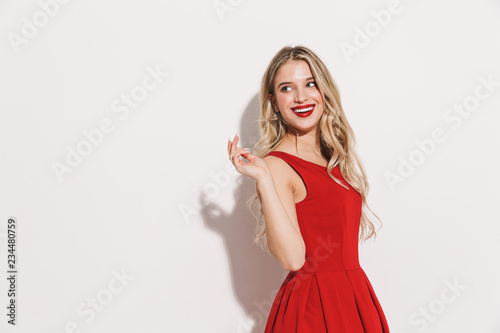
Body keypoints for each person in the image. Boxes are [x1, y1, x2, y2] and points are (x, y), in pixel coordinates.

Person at [227, 45, 390, 332]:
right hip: (313, 308)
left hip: (354, 297)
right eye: (287, 88)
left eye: (310, 83)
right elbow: (293, 259)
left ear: (324, 91)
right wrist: (263, 179)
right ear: (274, 102)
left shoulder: (334, 158)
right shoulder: (276, 166)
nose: (301, 97)